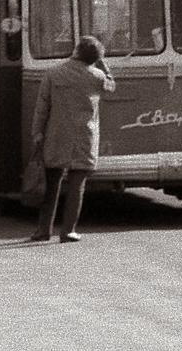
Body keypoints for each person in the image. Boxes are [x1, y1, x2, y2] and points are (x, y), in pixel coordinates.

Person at [28, 35, 116, 242]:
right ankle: (68, 230)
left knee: (52, 184)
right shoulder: (96, 77)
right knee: (77, 185)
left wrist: (37, 133)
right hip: (84, 136)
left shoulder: (53, 73)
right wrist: (104, 66)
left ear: (76, 51)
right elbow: (112, 86)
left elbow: (42, 107)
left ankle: (43, 230)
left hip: (56, 134)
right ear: (94, 58)